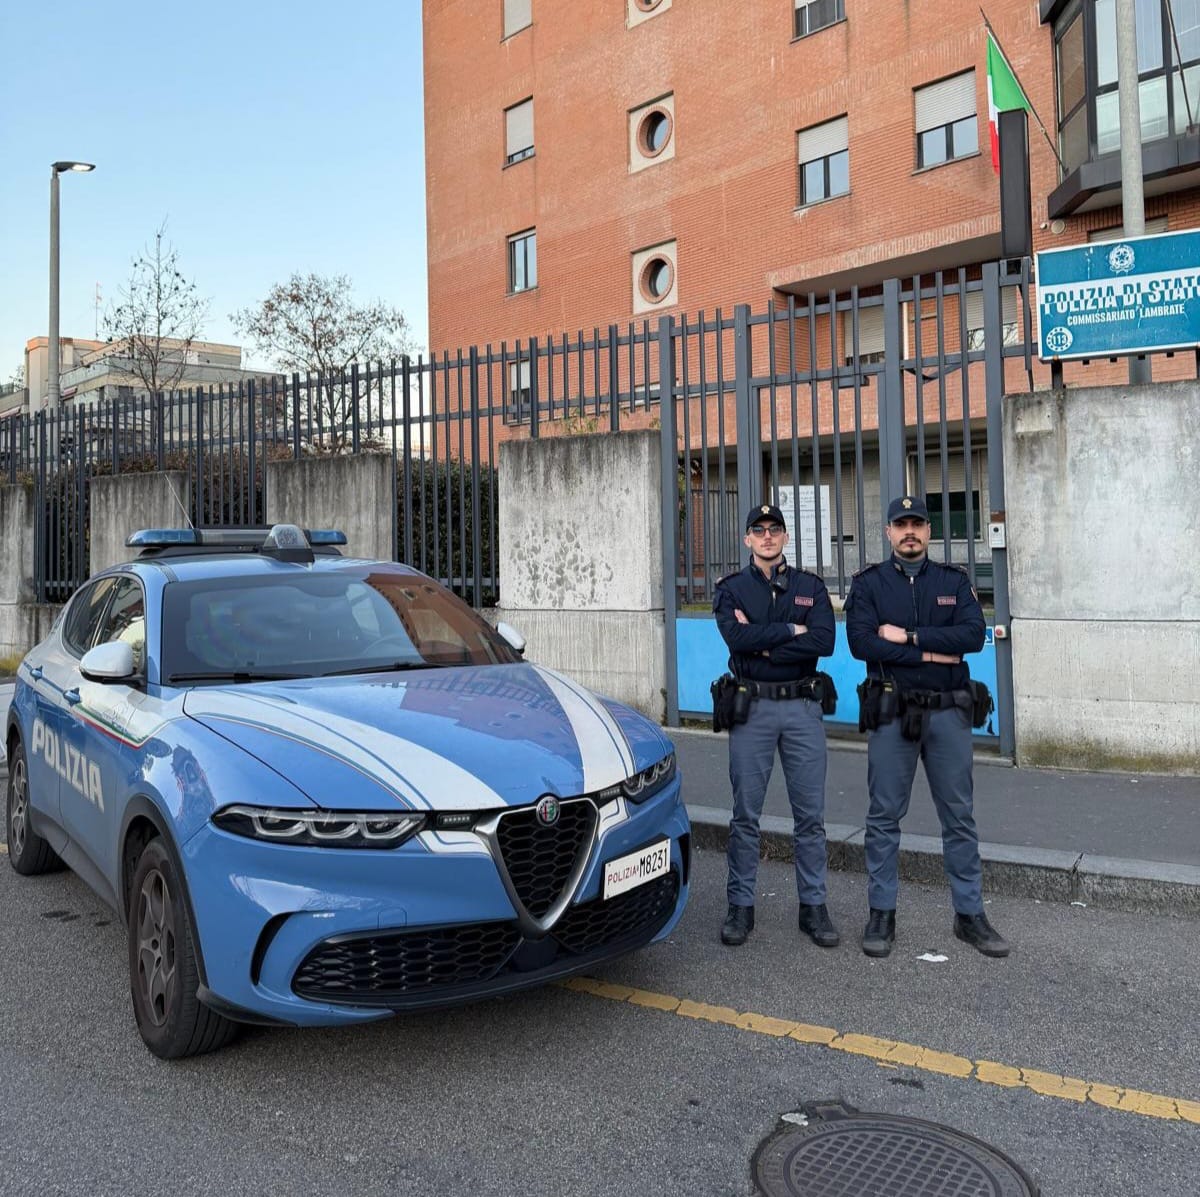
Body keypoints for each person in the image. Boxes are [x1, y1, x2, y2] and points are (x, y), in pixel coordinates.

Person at [844, 495, 1008, 959]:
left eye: (917, 523)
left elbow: (972, 636)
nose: (909, 531)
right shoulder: (869, 584)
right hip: (893, 714)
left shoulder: (953, 583)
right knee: (883, 817)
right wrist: (936, 654)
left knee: (959, 816)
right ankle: (881, 913)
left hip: (948, 715)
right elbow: (860, 644)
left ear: (928, 531)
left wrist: (909, 637)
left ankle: (970, 915)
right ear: (889, 532)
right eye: (901, 524)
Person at [714, 503, 838, 949]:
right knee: (746, 815)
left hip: (802, 707)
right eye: (758, 529)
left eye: (775, 529)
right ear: (747, 538)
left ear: (785, 537)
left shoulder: (810, 587)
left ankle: (814, 907)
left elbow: (824, 642)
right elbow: (737, 642)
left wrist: (768, 641)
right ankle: (740, 907)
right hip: (754, 710)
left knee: (811, 817)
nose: (767, 536)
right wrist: (793, 632)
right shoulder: (731, 590)